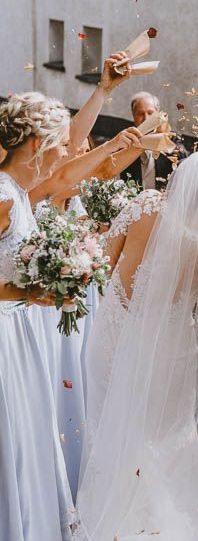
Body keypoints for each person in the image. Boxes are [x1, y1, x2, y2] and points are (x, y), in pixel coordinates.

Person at [75, 153, 198, 539]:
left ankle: (104, 517)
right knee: (163, 442)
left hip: (109, 337)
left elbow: (102, 265)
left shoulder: (141, 206)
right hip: (168, 357)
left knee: (111, 430)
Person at [0, 91, 88, 539]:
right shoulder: (3, 198)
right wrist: (30, 292)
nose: (65, 152)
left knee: (34, 438)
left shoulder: (18, 193)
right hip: (5, 338)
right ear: (36, 144)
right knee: (14, 443)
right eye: (61, 142)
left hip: (22, 334)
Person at [123, 91, 187, 190]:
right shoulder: (127, 141)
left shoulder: (171, 137)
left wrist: (163, 137)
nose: (146, 118)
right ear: (133, 116)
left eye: (150, 113)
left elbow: (183, 158)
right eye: (140, 114)